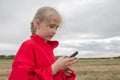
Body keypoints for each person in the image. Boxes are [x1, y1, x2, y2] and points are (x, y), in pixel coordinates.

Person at [8, 7, 77, 80]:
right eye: (51, 26)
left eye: (56, 28)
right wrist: (54, 68)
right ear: (37, 23)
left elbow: (50, 74)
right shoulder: (28, 46)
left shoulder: (47, 49)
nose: (54, 31)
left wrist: (61, 71)